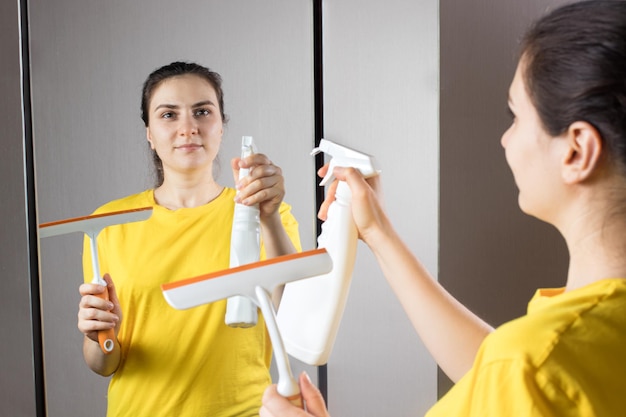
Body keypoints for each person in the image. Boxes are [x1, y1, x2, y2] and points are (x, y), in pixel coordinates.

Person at [260, 1, 626, 416]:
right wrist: (379, 233)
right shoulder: (567, 348)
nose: (505, 140)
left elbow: (518, 374)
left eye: (515, 116)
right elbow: (498, 373)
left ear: (577, 150)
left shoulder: (531, 364)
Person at [77, 61, 301, 417]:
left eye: (202, 111)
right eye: (168, 115)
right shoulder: (108, 225)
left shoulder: (267, 214)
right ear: (149, 133)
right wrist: (96, 337)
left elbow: (293, 315)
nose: (188, 128)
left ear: (221, 126)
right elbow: (105, 363)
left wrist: (269, 217)